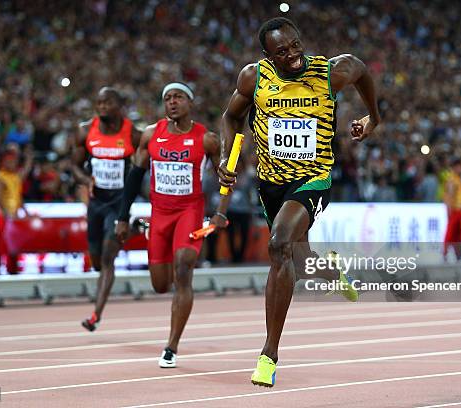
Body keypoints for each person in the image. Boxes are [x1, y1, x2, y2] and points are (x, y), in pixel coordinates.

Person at [217, 17, 380, 387]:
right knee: (299, 262)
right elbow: (230, 118)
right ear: (266, 55)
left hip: (313, 179)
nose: (292, 56)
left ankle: (268, 355)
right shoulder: (253, 78)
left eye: (294, 45)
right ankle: (332, 270)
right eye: (281, 51)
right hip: (270, 184)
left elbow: (362, 72)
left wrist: (374, 117)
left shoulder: (330, 72)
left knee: (279, 245)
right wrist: (227, 160)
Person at [115, 82, 225, 368]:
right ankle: (154, 237)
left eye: (177, 97)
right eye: (167, 98)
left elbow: (227, 179)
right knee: (161, 285)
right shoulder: (151, 135)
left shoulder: (207, 139)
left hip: (190, 211)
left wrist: (220, 213)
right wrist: (123, 217)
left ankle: (171, 346)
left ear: (190, 103)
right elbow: (133, 177)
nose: (172, 102)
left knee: (184, 266)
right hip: (160, 215)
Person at [73, 87, 139, 331]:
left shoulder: (133, 133)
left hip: (119, 203)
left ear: (119, 105)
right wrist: (85, 178)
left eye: (107, 103)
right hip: (97, 203)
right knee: (97, 261)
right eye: (98, 103)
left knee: (109, 258)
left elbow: (143, 165)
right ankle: (134, 230)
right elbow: (74, 166)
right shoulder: (84, 131)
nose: (102, 107)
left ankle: (95, 315)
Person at [0, 147, 33, 274]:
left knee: (13, 245)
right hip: (3, 216)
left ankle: (12, 269)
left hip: (14, 216)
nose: (12, 164)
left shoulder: (15, 177)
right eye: (9, 161)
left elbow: (18, 197)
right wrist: (3, 213)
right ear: (4, 162)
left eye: (14, 161)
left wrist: (25, 211)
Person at [443, 157, 461, 259]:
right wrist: (449, 210)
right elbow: (449, 195)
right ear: (455, 167)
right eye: (460, 167)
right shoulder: (452, 179)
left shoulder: (458, 179)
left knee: (459, 234)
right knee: (450, 233)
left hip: (459, 209)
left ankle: (457, 253)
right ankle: (445, 253)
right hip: (454, 210)